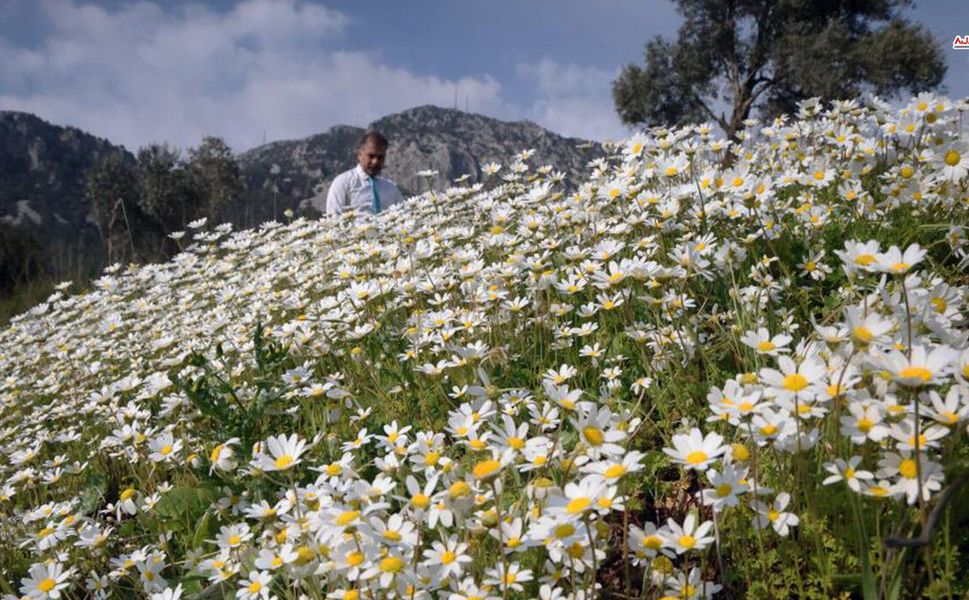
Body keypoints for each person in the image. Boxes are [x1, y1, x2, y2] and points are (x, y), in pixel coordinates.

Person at [325, 131, 405, 215]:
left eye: (380, 157)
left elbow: (403, 213)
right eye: (371, 156)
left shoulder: (391, 188)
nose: (375, 161)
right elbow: (333, 215)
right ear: (359, 155)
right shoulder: (343, 182)